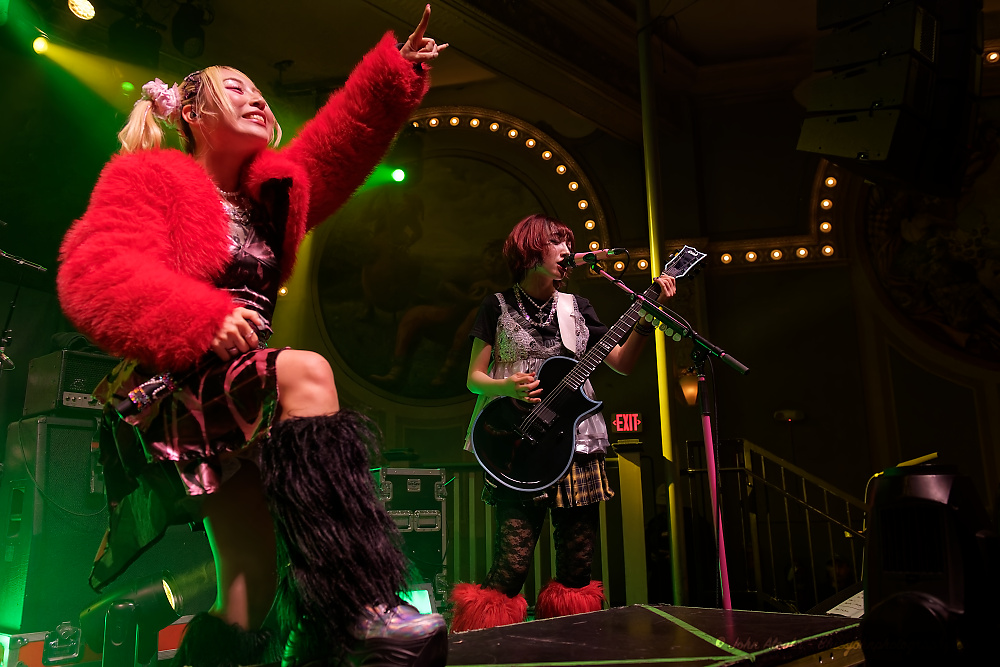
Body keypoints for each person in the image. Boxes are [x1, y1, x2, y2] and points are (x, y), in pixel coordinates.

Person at [56, 6, 448, 667]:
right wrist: (199, 316)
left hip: (237, 385)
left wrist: (395, 75)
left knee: (246, 591)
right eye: (233, 87)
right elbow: (93, 276)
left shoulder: (272, 195)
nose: (256, 96)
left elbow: (336, 144)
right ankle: (357, 607)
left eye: (259, 91)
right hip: (185, 378)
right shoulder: (152, 180)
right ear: (190, 115)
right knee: (308, 373)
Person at [450, 214, 676, 631]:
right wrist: (507, 389)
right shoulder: (495, 305)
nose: (567, 252)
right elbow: (473, 378)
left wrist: (646, 320)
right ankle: (485, 651)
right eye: (557, 244)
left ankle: (571, 648)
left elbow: (622, 363)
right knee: (511, 565)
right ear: (531, 251)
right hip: (517, 440)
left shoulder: (578, 307)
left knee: (577, 566)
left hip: (574, 443)